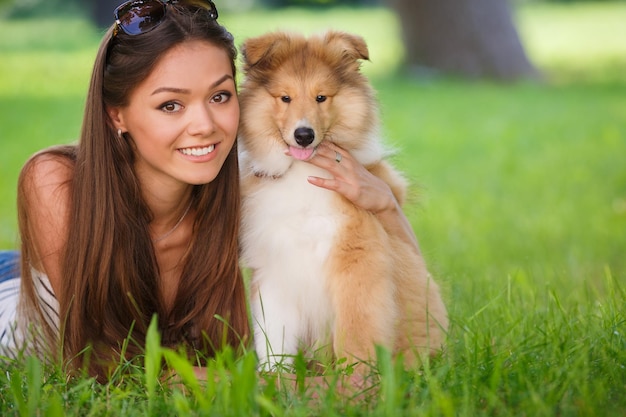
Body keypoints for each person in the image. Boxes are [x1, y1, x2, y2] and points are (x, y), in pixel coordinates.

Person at [0, 0, 426, 385]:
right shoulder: (56, 181)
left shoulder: (249, 189)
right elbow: (104, 363)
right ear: (117, 115)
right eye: (171, 105)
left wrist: (384, 204)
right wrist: (285, 387)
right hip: (13, 287)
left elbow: (400, 286)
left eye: (220, 95)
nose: (205, 125)